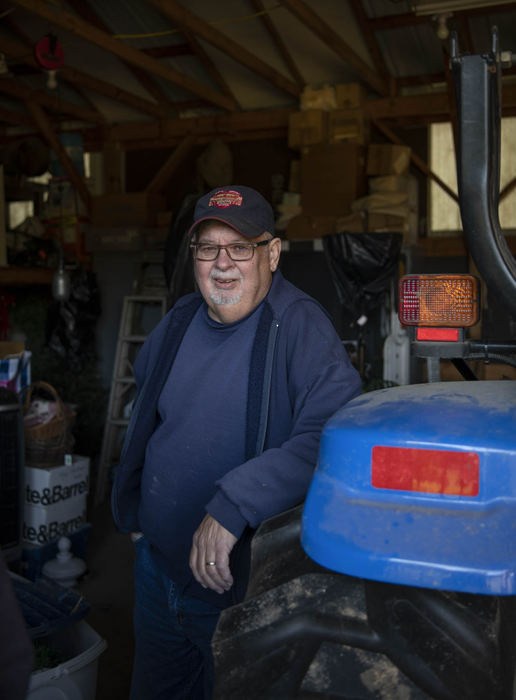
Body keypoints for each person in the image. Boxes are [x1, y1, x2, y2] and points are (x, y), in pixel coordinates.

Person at [111, 185, 362, 699]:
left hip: (236, 590)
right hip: (157, 574)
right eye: (208, 248)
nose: (222, 264)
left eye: (240, 247)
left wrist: (234, 504)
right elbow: (147, 413)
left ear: (271, 253)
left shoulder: (299, 325)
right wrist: (133, 511)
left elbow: (332, 430)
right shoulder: (178, 321)